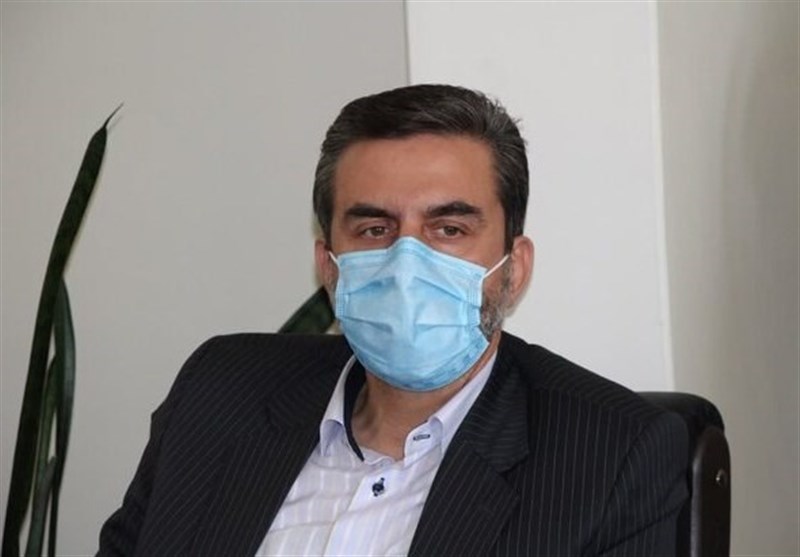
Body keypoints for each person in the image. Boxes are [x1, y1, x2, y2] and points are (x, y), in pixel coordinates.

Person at [98, 84, 688, 556]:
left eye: (448, 229)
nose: (407, 265)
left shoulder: (612, 456)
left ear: (514, 269)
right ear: (328, 266)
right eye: (374, 229)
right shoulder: (219, 392)